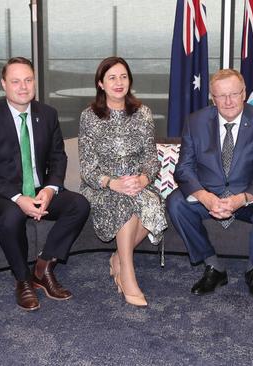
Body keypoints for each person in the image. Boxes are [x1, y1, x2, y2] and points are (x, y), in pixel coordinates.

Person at [0, 57, 90, 311]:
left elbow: (58, 156)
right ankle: (23, 279)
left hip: (39, 188)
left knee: (78, 204)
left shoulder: (47, 114)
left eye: (28, 80)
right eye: (15, 81)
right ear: (4, 84)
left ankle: (43, 266)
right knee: (11, 218)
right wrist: (17, 198)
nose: (23, 87)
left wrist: (49, 188)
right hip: (4, 193)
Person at [166, 69, 253, 300]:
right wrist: (204, 196)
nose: (228, 101)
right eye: (221, 96)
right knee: (176, 202)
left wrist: (242, 198)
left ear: (244, 94)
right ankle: (213, 266)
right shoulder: (195, 121)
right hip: (209, 194)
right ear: (213, 98)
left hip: (248, 196)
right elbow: (184, 169)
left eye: (234, 94)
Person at [78, 57, 167, 307]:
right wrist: (112, 183)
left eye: (124, 77)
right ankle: (128, 274)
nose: (119, 82)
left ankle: (118, 257)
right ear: (101, 84)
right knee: (125, 205)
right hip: (102, 186)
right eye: (112, 78)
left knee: (153, 204)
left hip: (137, 184)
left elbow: (151, 159)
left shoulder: (143, 113)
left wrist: (143, 178)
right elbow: (87, 167)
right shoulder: (90, 116)